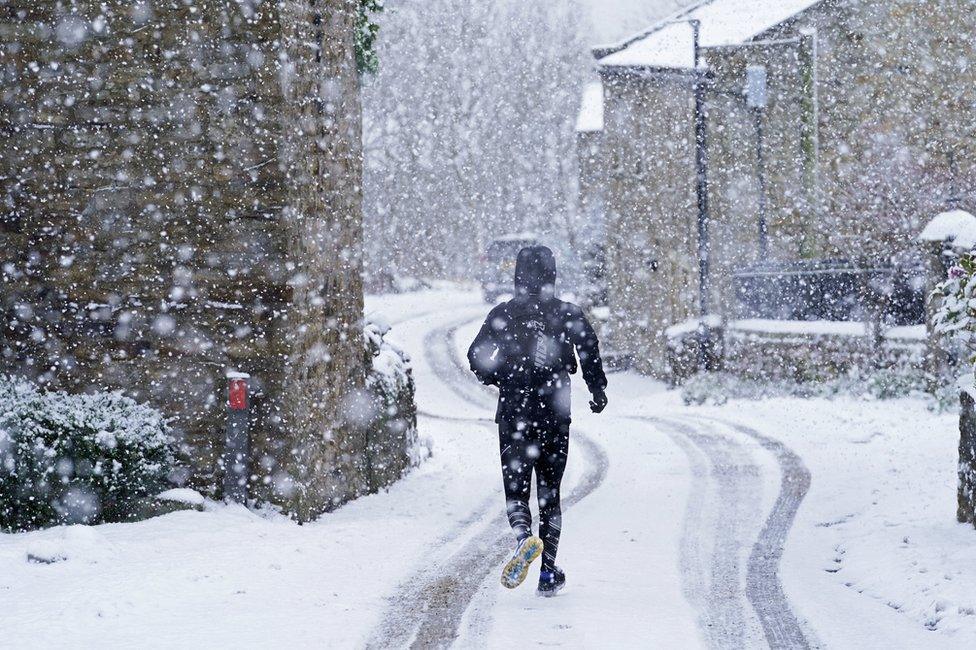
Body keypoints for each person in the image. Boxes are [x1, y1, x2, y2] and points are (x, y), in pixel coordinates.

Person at [467, 245, 608, 597]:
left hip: (514, 413)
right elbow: (589, 351)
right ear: (553, 276)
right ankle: (547, 573)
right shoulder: (568, 314)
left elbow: (476, 355)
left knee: (516, 489)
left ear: (516, 276)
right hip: (554, 414)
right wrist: (597, 390)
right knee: (550, 494)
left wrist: (502, 376)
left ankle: (521, 537)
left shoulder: (504, 314)